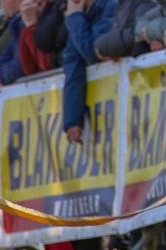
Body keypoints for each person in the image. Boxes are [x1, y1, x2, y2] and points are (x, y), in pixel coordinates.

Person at [61, 0, 117, 143]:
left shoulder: (112, 5)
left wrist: (74, 18)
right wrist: (73, 120)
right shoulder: (81, 16)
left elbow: (95, 52)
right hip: (109, 110)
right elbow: (72, 65)